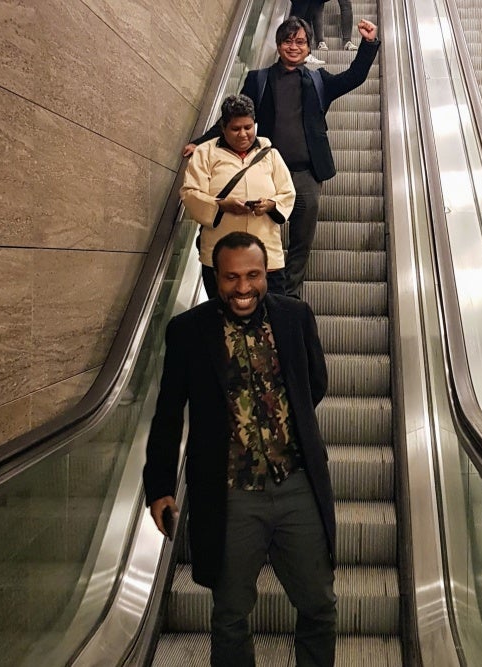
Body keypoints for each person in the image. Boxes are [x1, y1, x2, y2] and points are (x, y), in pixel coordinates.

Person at [143, 231, 335, 666]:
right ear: (215, 276)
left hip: (297, 486)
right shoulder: (188, 332)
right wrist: (159, 488)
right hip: (228, 495)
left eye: (253, 275)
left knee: (319, 605)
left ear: (266, 272)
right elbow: (169, 412)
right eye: (231, 278)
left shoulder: (295, 317)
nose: (243, 288)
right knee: (230, 615)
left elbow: (314, 385)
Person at [184, 16, 380, 298]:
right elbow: (234, 119)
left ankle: (289, 296)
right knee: (260, 232)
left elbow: (354, 77)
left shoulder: (318, 80)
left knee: (301, 240)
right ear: (278, 45)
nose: (293, 46)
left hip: (306, 174)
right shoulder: (259, 79)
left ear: (309, 47)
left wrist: (369, 43)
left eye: (300, 41)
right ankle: (256, 289)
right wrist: (200, 142)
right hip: (266, 173)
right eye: (288, 40)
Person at [182, 94, 295, 298]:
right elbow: (190, 193)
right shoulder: (205, 153)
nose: (243, 134)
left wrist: (270, 204)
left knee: (272, 317)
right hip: (220, 255)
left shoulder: (270, 154)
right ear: (223, 128)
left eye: (248, 127)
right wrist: (221, 205)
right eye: (235, 129)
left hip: (267, 255)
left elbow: (287, 193)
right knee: (222, 318)